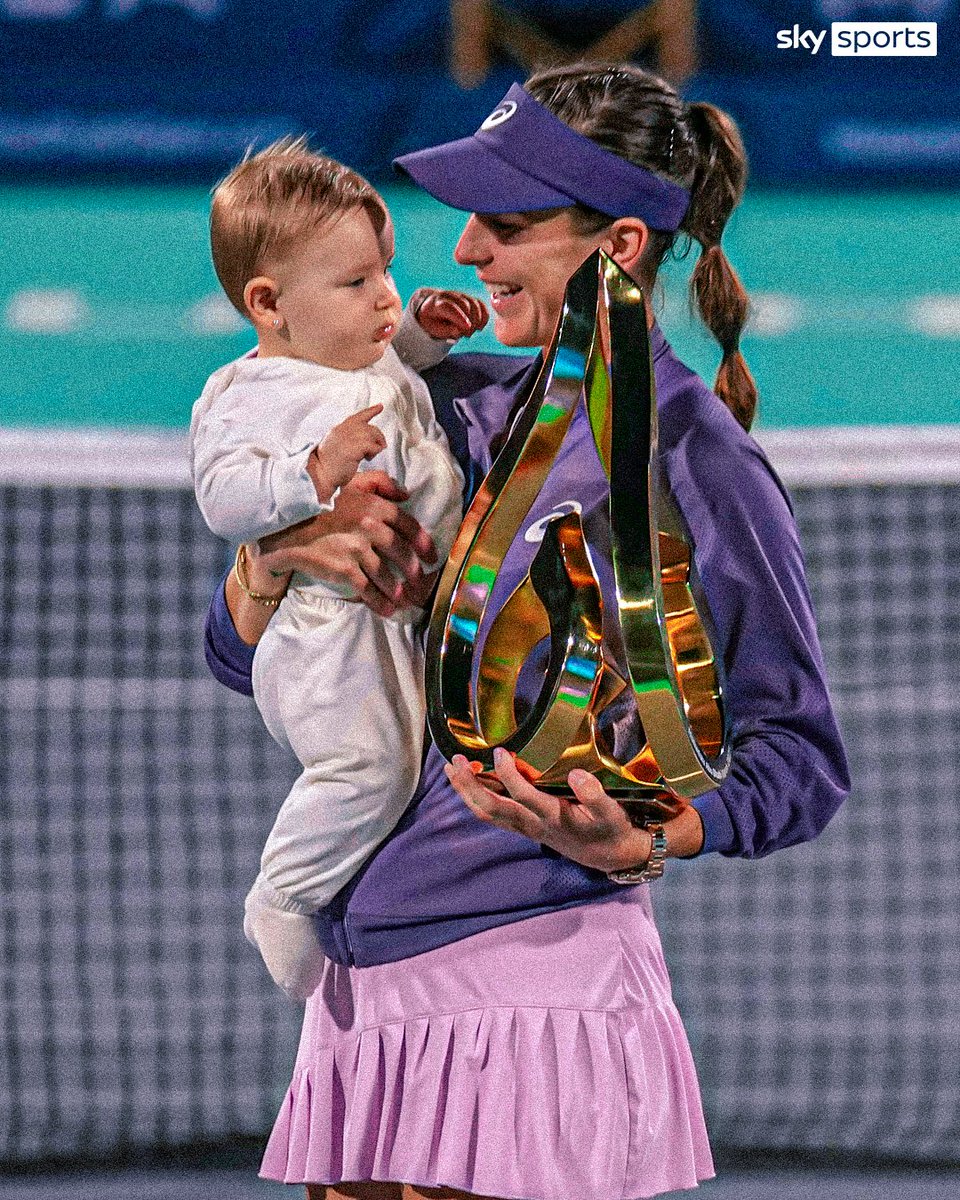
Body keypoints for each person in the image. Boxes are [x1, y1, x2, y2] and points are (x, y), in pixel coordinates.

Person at [203, 64, 850, 1200]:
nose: (462, 254)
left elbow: (801, 761)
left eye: (505, 226)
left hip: (536, 991)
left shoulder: (698, 463)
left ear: (619, 251)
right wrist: (275, 560)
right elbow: (233, 657)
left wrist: (648, 836)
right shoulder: (446, 405)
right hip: (365, 994)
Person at [191, 139, 487, 1002]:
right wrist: (310, 480)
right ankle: (284, 896)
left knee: (406, 757)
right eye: (357, 284)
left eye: (387, 271)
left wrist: (430, 332)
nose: (385, 297)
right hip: (327, 637)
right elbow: (224, 496)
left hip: (396, 623)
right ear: (268, 304)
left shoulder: (359, 353)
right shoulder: (249, 393)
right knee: (371, 769)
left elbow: (408, 369)